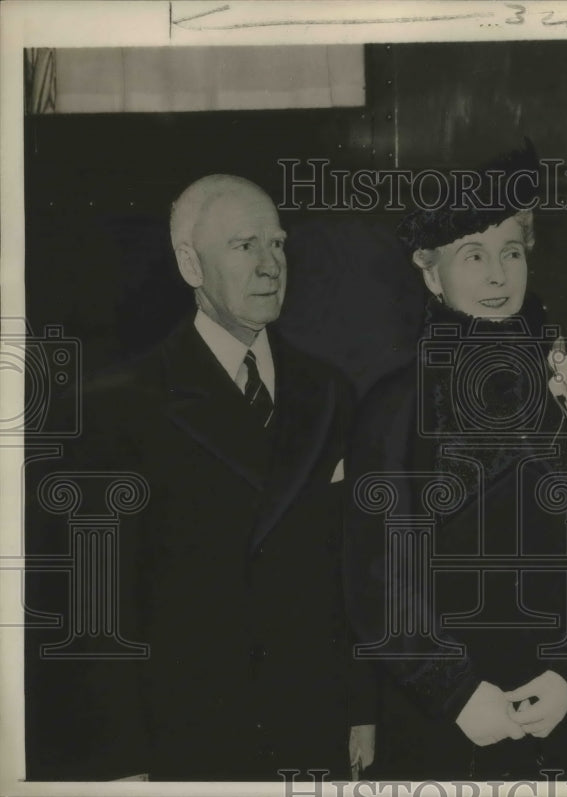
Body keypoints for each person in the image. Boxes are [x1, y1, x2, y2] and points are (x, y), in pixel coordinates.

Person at [28, 174, 375, 781]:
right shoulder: (117, 405)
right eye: (245, 247)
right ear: (191, 264)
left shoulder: (328, 393)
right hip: (184, 739)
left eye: (279, 244)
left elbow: (352, 569)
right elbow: (94, 607)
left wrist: (360, 708)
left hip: (309, 727)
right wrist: (121, 762)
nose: (271, 266)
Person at [343, 143, 567, 780]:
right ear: (431, 274)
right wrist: (451, 690)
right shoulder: (396, 407)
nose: (498, 276)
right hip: (438, 713)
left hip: (556, 707)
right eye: (473, 257)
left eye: (511, 252)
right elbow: (378, 566)